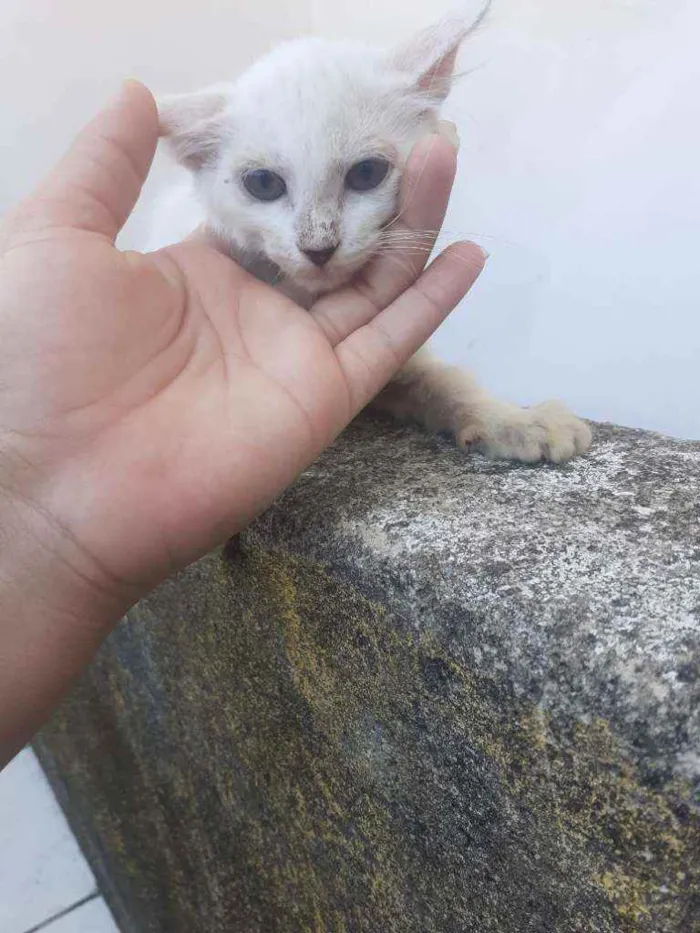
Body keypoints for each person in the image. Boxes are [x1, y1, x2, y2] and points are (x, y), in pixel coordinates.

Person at [0, 81, 486, 767]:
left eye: (366, 174)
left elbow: (387, 368)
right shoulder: (186, 265)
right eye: (263, 184)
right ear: (202, 162)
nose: (317, 238)